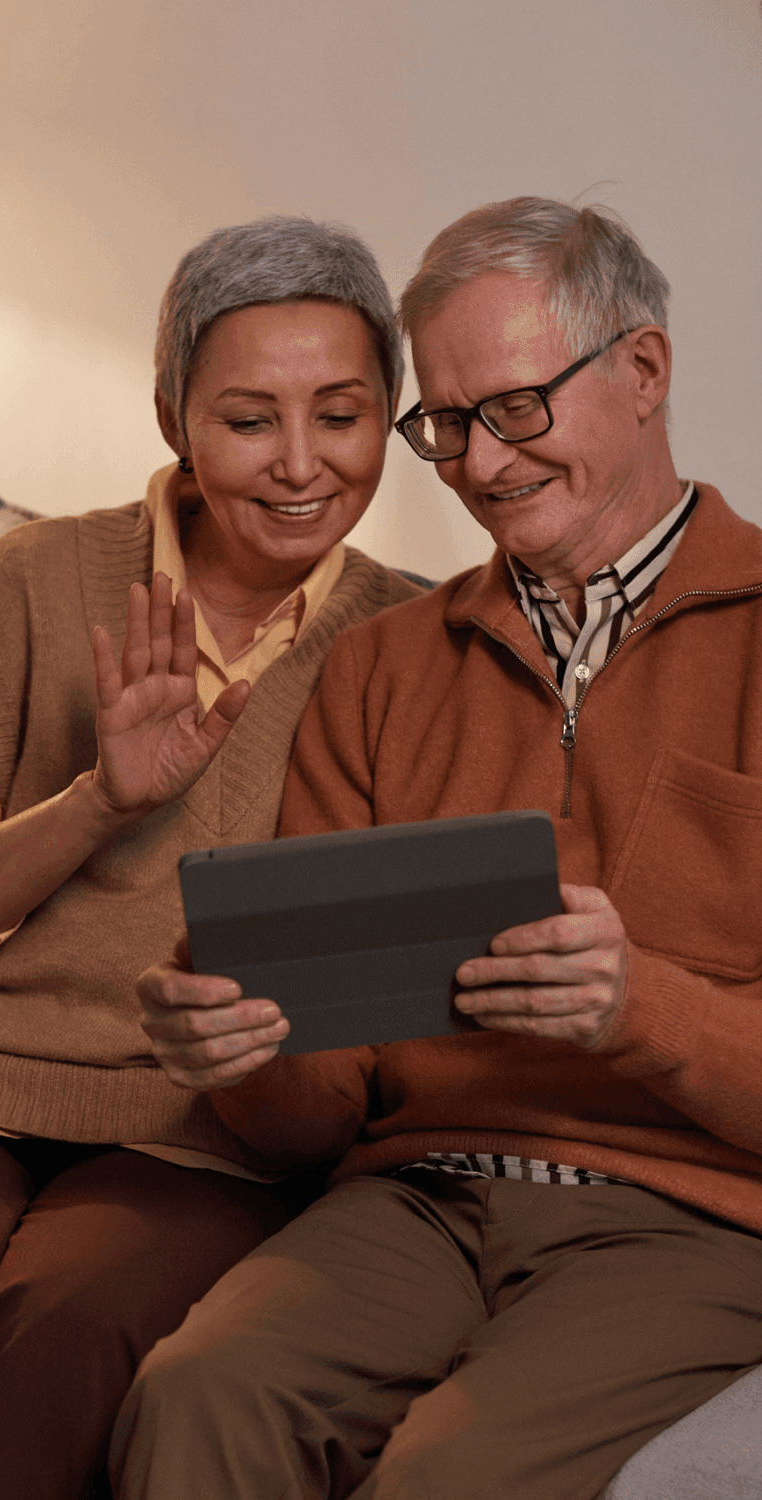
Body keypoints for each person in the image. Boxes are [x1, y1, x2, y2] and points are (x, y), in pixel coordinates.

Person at [0, 216, 424, 1500]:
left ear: (387, 413)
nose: (300, 465)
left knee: (68, 1327)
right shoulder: (23, 586)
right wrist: (95, 806)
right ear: (174, 414)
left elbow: (372, 1000)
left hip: (195, 1127)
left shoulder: (405, 650)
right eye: (248, 419)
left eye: (340, 416)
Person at [113, 197, 762, 1500]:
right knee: (195, 1398)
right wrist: (247, 1046)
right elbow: (311, 1115)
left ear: (644, 372)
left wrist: (647, 1008)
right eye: (446, 426)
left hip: (688, 1219)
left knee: (449, 1478)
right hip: (413, 1197)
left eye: (515, 408)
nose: (479, 463)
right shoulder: (381, 667)